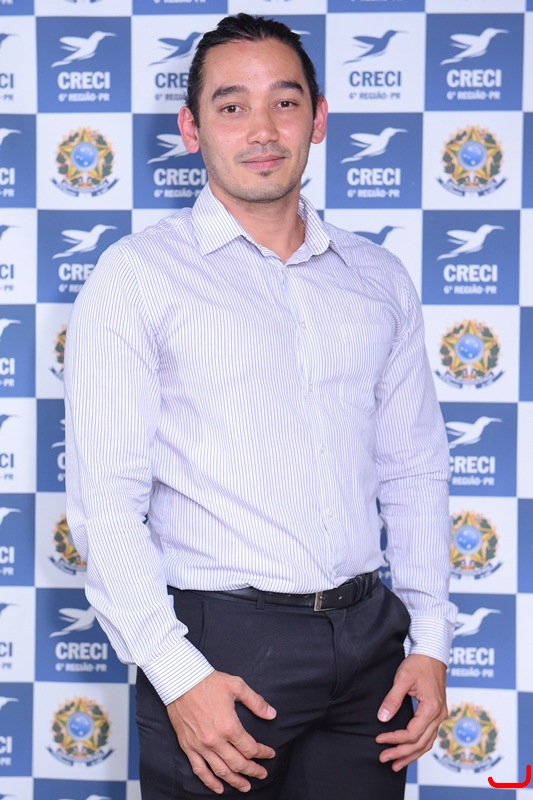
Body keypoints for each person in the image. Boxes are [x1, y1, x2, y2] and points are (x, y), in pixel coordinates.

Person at [65, 13, 456, 800]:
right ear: (191, 129)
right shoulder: (138, 275)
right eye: (231, 106)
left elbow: (413, 467)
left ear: (317, 118)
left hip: (370, 646)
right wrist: (177, 674)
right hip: (220, 648)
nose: (262, 129)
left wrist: (429, 640)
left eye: (284, 102)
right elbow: (105, 502)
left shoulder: (377, 278)